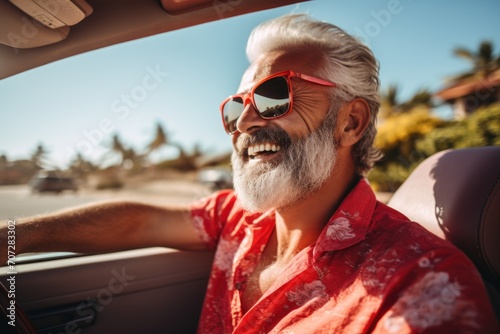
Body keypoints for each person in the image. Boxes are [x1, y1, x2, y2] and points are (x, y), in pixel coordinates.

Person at [1, 14, 498, 333]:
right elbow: (140, 223)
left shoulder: (422, 287)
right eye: (236, 107)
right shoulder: (239, 218)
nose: (247, 122)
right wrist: (8, 240)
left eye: (275, 96)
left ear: (350, 122)